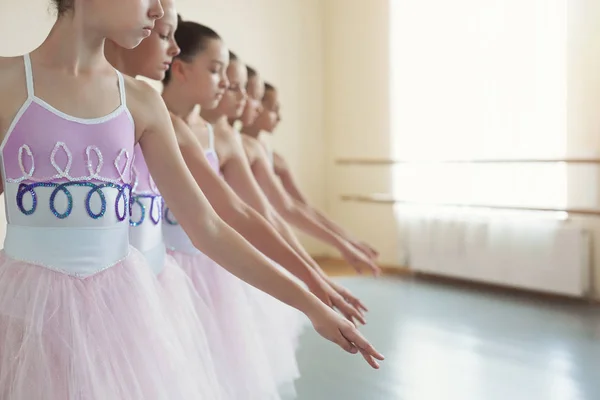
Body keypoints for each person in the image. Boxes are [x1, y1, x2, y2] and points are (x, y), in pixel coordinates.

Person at [0, 0, 383, 398]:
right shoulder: (6, 81)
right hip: (22, 310)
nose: (157, 10)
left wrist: (311, 302)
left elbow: (210, 225)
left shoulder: (142, 103)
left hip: (120, 314)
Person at [244, 81, 380, 261]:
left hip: (268, 239)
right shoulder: (236, 147)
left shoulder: (276, 160)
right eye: (273, 109)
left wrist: (348, 239)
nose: (279, 117)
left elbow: (302, 208)